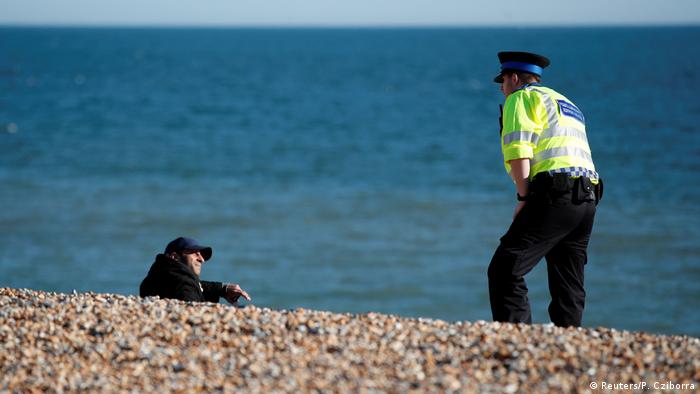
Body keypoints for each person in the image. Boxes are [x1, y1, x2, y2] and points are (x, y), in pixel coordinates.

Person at [487, 51, 602, 327]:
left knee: (505, 269)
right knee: (568, 280)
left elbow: (519, 151)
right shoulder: (565, 102)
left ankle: (517, 340)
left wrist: (523, 197)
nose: (502, 89)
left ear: (513, 78)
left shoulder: (520, 98)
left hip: (556, 194)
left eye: (502, 82)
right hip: (587, 198)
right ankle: (569, 341)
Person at [140, 236, 251, 304]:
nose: (202, 259)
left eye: (201, 255)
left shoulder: (155, 277)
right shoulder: (183, 284)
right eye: (195, 253)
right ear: (174, 257)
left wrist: (223, 289)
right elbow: (191, 310)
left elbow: (196, 285)